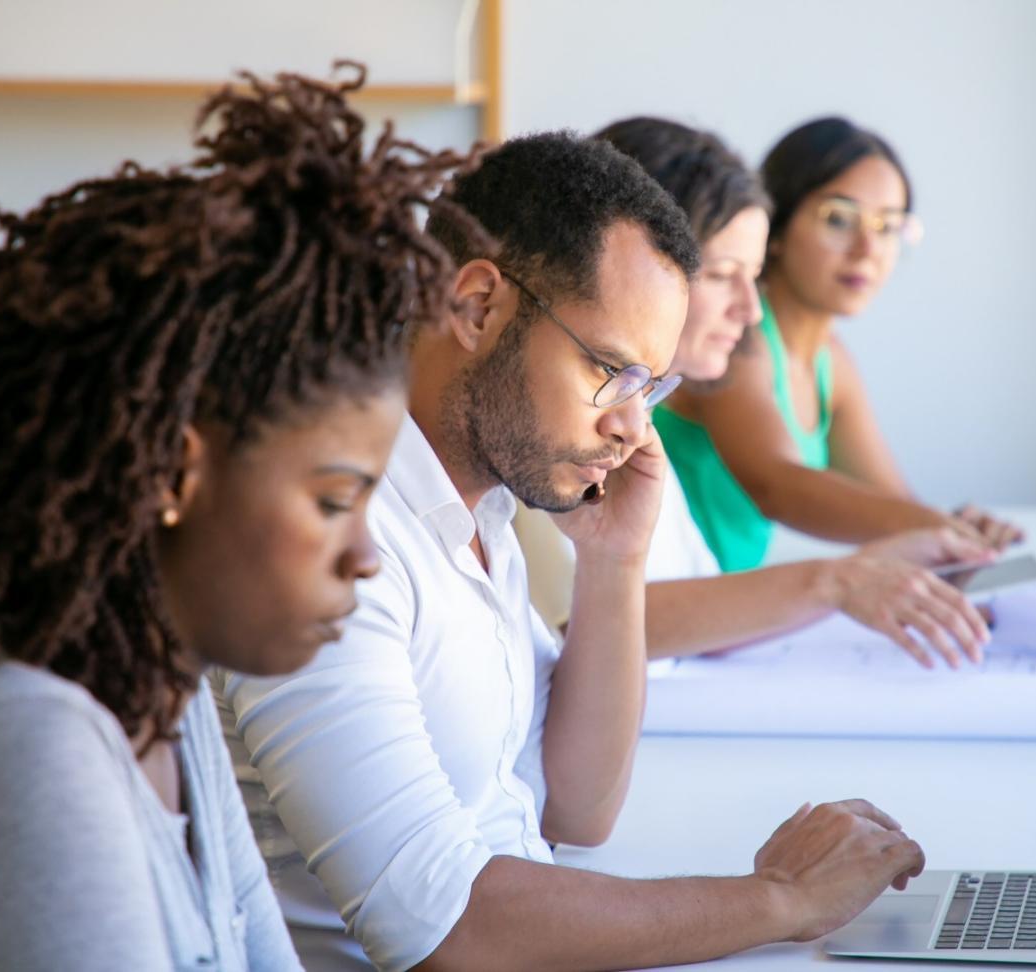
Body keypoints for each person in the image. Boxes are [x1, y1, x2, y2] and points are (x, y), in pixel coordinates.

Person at [214, 131, 926, 972]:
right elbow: (443, 928)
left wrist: (615, 561)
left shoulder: (482, 507)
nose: (631, 428)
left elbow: (577, 810)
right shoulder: (328, 542)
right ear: (478, 307)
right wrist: (780, 899)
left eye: (650, 388)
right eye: (610, 371)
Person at [0, 67, 475, 971]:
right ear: (174, 473)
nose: (367, 556)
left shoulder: (163, 711)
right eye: (335, 501)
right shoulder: (20, 753)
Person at [656, 116, 1024, 573]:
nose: (867, 248)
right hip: (679, 603)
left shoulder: (831, 361)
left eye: (888, 226)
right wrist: (936, 529)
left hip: (729, 609)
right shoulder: (732, 338)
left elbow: (893, 504)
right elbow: (778, 486)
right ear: (777, 226)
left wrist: (954, 530)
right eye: (839, 219)